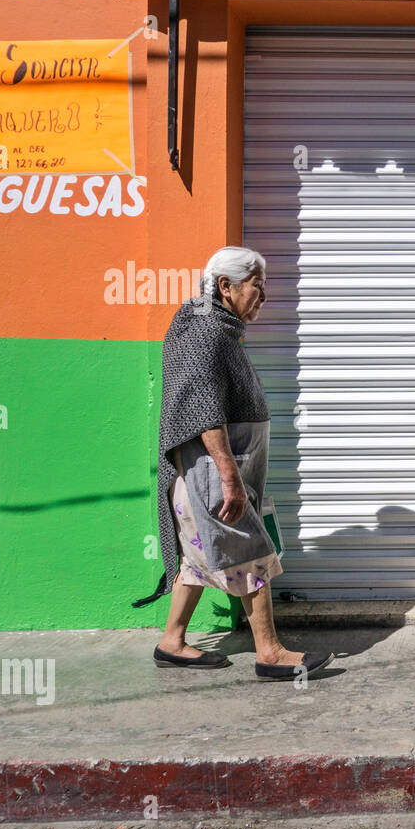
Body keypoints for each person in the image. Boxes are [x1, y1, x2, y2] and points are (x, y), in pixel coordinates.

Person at [133, 246, 333, 682]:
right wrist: (230, 478)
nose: (263, 296)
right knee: (250, 552)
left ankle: (172, 642)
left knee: (196, 556)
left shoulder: (216, 327)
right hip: (212, 473)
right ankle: (271, 653)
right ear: (226, 286)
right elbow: (205, 409)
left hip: (211, 473)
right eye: (256, 286)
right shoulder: (204, 330)